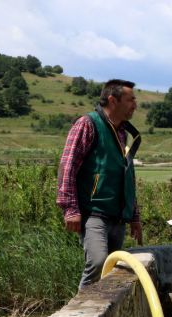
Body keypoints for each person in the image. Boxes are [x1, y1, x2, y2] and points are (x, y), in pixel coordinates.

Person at [56, 79, 143, 289]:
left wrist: (134, 215)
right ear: (113, 100)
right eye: (130, 99)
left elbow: (125, 176)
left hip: (117, 217)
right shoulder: (88, 124)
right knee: (97, 263)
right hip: (94, 213)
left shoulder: (122, 132)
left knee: (111, 272)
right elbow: (68, 166)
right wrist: (70, 209)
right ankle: (79, 315)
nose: (135, 105)